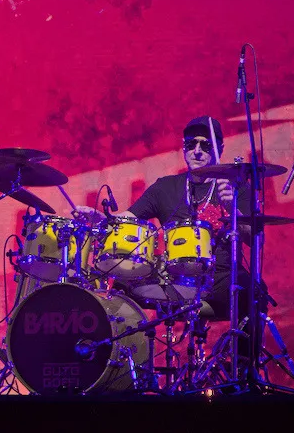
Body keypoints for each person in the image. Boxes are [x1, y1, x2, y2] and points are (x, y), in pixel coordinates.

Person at [78, 116, 260, 326]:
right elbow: (126, 221)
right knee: (120, 283)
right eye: (191, 144)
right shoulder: (165, 187)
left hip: (220, 277)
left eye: (205, 144)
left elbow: (254, 239)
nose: (197, 150)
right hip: (174, 277)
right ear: (184, 149)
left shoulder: (235, 188)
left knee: (253, 292)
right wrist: (102, 219)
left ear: (219, 148)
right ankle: (127, 354)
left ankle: (245, 360)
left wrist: (233, 210)